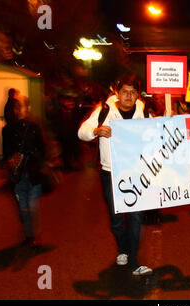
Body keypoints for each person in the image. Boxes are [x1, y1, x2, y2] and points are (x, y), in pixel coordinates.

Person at [78, 74, 152, 276]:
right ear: (117, 93)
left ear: (138, 95)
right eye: (125, 92)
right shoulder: (105, 110)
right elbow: (82, 132)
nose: (128, 96)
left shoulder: (144, 114)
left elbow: (158, 135)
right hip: (111, 173)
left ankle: (135, 261)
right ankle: (123, 249)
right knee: (117, 218)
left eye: (133, 92)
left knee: (136, 217)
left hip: (136, 173)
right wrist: (97, 130)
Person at [2, 95, 45, 247]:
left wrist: (32, 156)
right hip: (18, 175)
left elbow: (42, 148)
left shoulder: (34, 127)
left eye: (20, 107)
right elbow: (5, 153)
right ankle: (29, 235)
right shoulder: (7, 130)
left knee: (32, 206)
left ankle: (35, 235)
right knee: (23, 208)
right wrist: (12, 159)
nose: (18, 110)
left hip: (33, 172)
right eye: (15, 108)